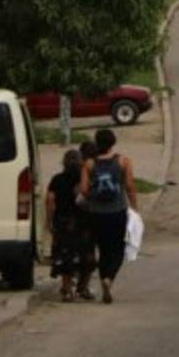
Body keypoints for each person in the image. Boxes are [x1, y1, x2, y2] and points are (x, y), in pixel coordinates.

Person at [79, 128, 138, 304]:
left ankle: (104, 278)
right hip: (117, 211)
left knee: (104, 249)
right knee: (118, 249)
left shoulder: (89, 164)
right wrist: (134, 209)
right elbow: (129, 186)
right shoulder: (123, 161)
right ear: (113, 143)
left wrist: (93, 196)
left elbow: (83, 190)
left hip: (96, 214)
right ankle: (108, 279)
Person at [45, 150, 85, 301]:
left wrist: (49, 221)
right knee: (77, 254)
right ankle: (73, 288)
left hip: (61, 221)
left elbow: (50, 200)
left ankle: (67, 289)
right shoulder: (83, 179)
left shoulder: (57, 179)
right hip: (79, 221)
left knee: (63, 254)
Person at [75, 140, 99, 300]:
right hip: (91, 216)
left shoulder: (75, 169)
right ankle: (83, 287)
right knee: (89, 253)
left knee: (73, 252)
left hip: (73, 218)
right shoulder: (98, 168)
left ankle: (69, 287)